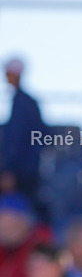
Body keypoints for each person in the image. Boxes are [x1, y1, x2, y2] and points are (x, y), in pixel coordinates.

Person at [0, 58, 46, 205]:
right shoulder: (25, 102)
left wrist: (9, 171)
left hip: (21, 173)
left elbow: (16, 139)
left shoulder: (23, 103)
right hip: (24, 171)